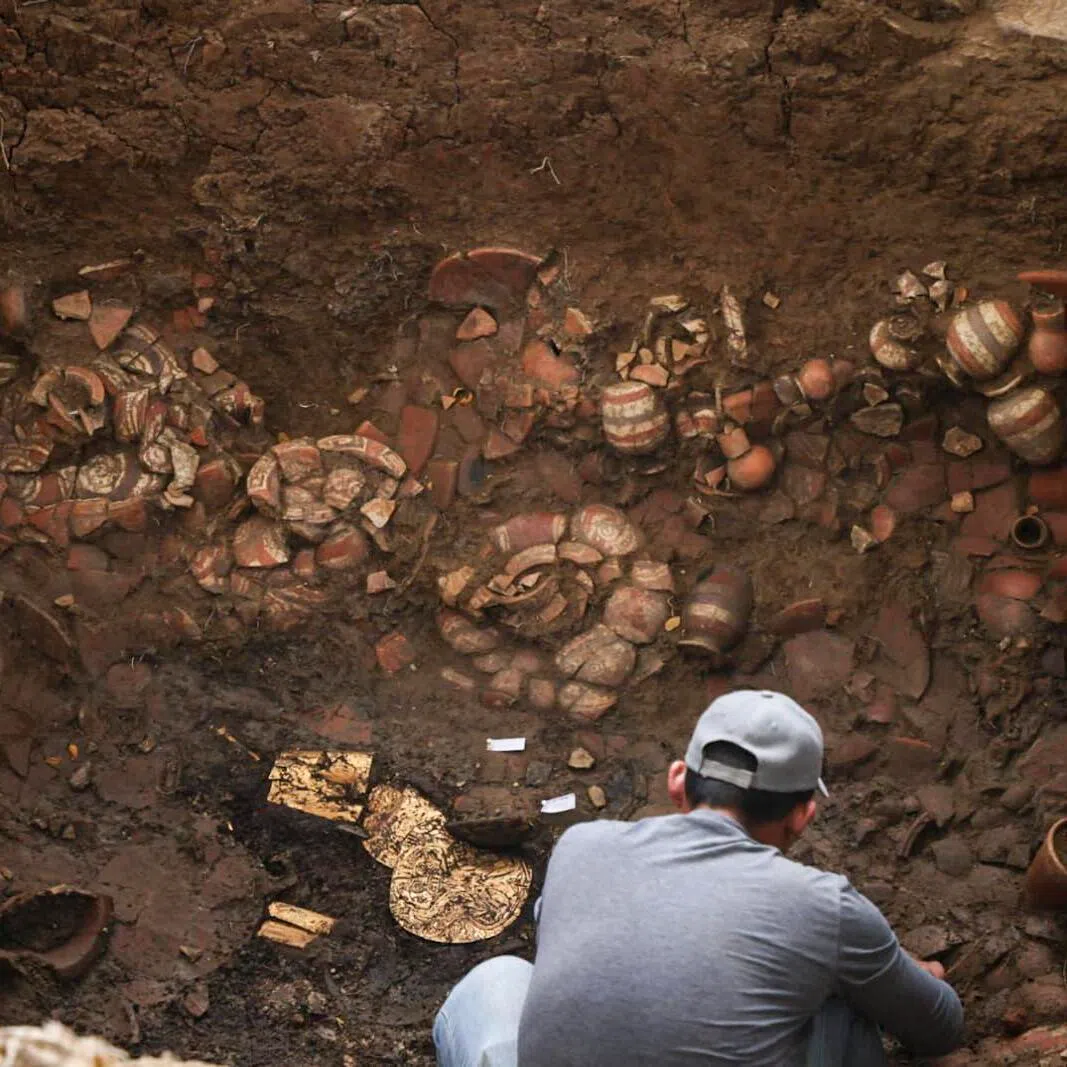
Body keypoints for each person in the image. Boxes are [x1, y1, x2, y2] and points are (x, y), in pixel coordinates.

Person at [433, 690, 965, 1066]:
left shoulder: (581, 845)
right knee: (840, 997)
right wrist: (905, 972)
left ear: (677, 780)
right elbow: (939, 1029)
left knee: (497, 980)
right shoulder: (827, 909)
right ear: (802, 815)